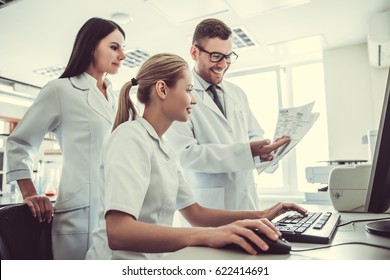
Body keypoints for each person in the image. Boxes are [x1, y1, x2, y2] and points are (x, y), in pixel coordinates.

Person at [89, 52, 306, 260]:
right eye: (189, 90)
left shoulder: (162, 147)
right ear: (162, 90)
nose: (193, 100)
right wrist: (207, 235)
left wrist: (260, 216)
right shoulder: (130, 137)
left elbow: (196, 213)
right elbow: (118, 232)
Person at [5, 17, 126, 259]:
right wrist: (29, 193)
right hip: (77, 216)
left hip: (115, 212)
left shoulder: (116, 98)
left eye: (122, 48)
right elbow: (20, 143)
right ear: (91, 46)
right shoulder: (60, 90)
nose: (122, 55)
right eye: (114, 47)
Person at [165, 18, 290, 211]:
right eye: (216, 56)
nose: (223, 64)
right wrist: (247, 152)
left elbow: (253, 134)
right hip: (208, 207)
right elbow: (186, 155)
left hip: (246, 202)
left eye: (228, 56)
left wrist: (266, 150)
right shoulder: (177, 95)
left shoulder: (237, 93)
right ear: (194, 53)